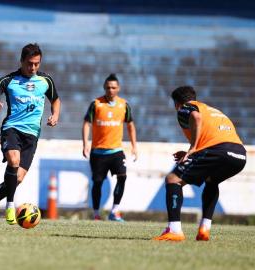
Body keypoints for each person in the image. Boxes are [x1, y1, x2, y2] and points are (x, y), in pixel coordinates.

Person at [0, 43, 61, 226]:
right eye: (29, 63)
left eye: (36, 64)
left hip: (32, 135)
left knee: (17, 178)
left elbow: (56, 99)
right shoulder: (8, 80)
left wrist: (55, 114)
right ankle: (10, 205)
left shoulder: (46, 81)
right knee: (14, 160)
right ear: (21, 61)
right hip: (12, 129)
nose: (33, 67)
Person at [154, 86, 246, 241]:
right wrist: (195, 150)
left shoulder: (186, 107)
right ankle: (204, 229)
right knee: (211, 180)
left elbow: (195, 118)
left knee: (173, 180)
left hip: (218, 150)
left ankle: (174, 231)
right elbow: (215, 135)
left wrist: (193, 148)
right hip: (239, 155)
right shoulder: (213, 111)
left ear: (176, 103)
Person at [82, 73, 138, 222]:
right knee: (98, 182)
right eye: (108, 87)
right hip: (98, 152)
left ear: (118, 88)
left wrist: (134, 146)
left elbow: (130, 125)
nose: (110, 90)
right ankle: (96, 213)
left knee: (122, 176)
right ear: (104, 88)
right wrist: (85, 143)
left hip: (116, 151)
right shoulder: (96, 104)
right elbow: (86, 123)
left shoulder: (124, 105)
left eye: (113, 87)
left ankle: (115, 210)